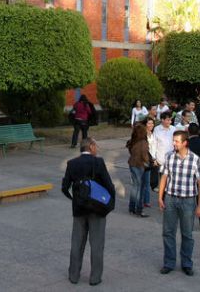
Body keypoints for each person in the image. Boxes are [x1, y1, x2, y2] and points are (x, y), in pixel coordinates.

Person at [62, 138, 116, 286]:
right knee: (97, 244)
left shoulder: (72, 163)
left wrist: (74, 199)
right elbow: (109, 185)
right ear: (91, 147)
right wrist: (109, 203)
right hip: (97, 209)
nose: (97, 148)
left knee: (77, 243)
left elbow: (64, 187)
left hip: (79, 209)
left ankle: (74, 275)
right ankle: (95, 278)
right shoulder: (98, 162)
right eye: (96, 146)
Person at [158, 130, 200, 276]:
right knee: (168, 232)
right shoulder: (169, 157)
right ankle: (169, 263)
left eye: (177, 141)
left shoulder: (195, 160)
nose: (174, 143)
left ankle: (186, 263)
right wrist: (160, 197)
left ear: (185, 143)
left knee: (187, 234)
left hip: (188, 201)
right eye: (173, 141)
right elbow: (164, 177)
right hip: (171, 199)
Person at [126, 123, 152, 217]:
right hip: (140, 165)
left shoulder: (133, 141)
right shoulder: (143, 142)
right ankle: (139, 209)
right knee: (140, 188)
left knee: (135, 187)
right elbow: (144, 155)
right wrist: (148, 162)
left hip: (132, 164)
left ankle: (132, 207)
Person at [152, 112, 176, 192]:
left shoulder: (173, 129)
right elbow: (154, 144)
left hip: (171, 156)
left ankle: (169, 187)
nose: (170, 122)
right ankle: (160, 187)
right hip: (160, 156)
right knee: (161, 173)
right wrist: (154, 158)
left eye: (170, 120)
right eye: (168, 120)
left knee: (170, 174)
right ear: (162, 120)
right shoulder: (157, 129)